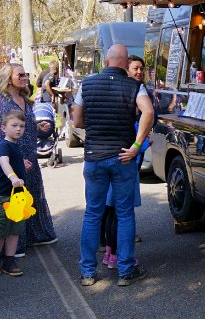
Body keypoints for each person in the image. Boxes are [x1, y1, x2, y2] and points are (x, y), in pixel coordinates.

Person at [72, 44, 153, 287]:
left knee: (92, 213)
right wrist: (137, 145)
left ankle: (87, 272)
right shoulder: (135, 86)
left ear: (106, 61)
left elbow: (76, 120)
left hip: (94, 156)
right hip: (123, 156)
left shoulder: (86, 84)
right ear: (126, 61)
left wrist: (96, 128)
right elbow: (148, 112)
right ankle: (126, 271)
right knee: (125, 213)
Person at [0, 63, 58, 257]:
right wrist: (16, 160)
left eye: (25, 74)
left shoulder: (24, 98)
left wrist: (42, 129)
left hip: (29, 155)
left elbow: (27, 128)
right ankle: (2, 248)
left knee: (28, 197)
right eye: (20, 74)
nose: (24, 77)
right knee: (6, 200)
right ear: (8, 77)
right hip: (6, 159)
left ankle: (29, 236)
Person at [0, 110, 28, 277]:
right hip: (1, 195)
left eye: (22, 126)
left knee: (15, 229)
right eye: (14, 125)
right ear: (3, 127)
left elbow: (12, 161)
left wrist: (22, 164)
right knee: (0, 230)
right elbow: (4, 162)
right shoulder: (3, 145)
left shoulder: (14, 146)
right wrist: (13, 177)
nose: (18, 129)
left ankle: (9, 260)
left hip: (17, 196)